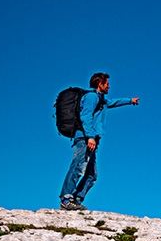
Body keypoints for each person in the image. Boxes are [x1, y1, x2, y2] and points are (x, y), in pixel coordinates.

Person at [60, 73, 140, 210]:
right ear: (100, 84)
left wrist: (129, 100)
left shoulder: (101, 99)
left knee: (91, 175)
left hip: (92, 138)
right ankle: (66, 199)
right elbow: (86, 116)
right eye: (107, 83)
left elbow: (112, 102)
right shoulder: (91, 97)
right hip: (85, 137)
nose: (109, 86)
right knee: (78, 167)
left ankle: (76, 199)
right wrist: (90, 136)